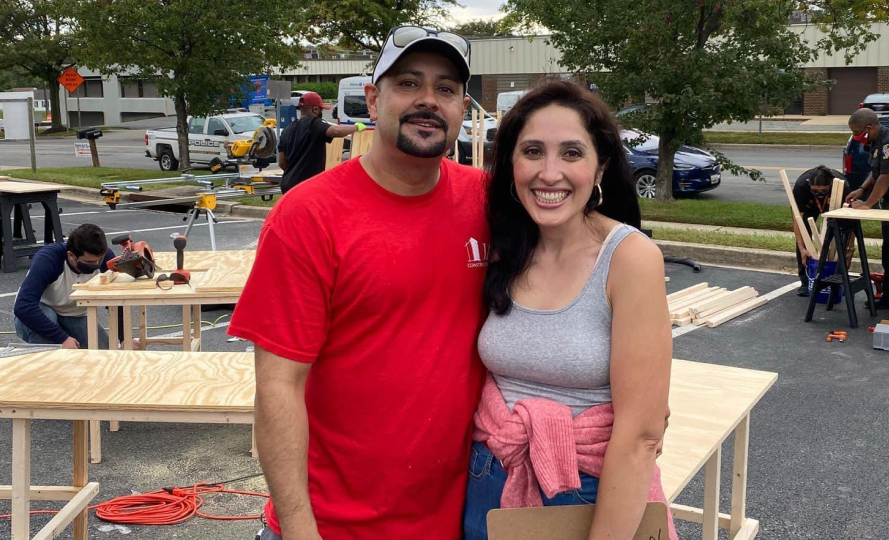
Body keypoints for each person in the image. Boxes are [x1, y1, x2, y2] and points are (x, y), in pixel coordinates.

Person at [229, 26, 487, 540]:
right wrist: (302, 530)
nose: (427, 102)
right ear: (373, 100)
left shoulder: (489, 202)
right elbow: (278, 387)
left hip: (460, 518)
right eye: (408, 83)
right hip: (335, 525)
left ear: (462, 108)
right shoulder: (308, 216)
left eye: (446, 89)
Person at [463, 80, 676, 540]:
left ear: (600, 168)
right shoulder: (504, 248)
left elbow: (641, 436)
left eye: (572, 153)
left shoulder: (629, 259)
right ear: (512, 164)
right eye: (533, 151)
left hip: (590, 492)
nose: (549, 172)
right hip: (488, 481)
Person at [13, 223, 132, 349]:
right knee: (47, 336)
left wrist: (124, 338)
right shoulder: (48, 260)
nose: (96, 264)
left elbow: (116, 301)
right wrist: (62, 338)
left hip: (73, 315)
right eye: (89, 262)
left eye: (99, 260)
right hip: (40, 311)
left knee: (102, 351)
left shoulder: (106, 257)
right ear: (71, 256)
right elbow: (23, 306)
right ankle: (46, 364)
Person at [845, 108, 889, 318]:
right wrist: (862, 189)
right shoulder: (876, 142)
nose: (857, 137)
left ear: (869, 127)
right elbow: (875, 173)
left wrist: (867, 205)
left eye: (858, 133)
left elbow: (886, 177)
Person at [277, 92, 367, 194]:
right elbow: (336, 131)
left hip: (287, 185)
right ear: (315, 109)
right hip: (306, 186)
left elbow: (281, 163)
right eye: (321, 109)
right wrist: (356, 127)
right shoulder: (313, 123)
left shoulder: (286, 130)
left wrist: (293, 173)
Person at [791, 165, 851, 297]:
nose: (819, 193)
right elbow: (798, 219)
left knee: (839, 237)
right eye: (815, 190)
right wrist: (802, 248)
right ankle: (806, 282)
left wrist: (849, 250)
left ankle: (840, 281)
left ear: (830, 185)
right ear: (809, 186)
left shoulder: (842, 186)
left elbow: (850, 223)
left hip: (834, 204)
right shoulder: (801, 187)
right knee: (805, 234)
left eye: (823, 190)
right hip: (809, 206)